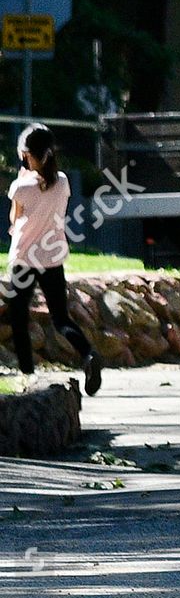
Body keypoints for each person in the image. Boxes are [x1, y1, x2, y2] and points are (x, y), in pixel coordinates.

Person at [5, 124, 102, 395]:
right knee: (61, 318)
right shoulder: (62, 182)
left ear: (26, 154)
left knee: (19, 317)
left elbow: (14, 218)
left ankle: (27, 374)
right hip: (53, 257)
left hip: (25, 258)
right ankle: (88, 354)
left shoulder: (20, 186)